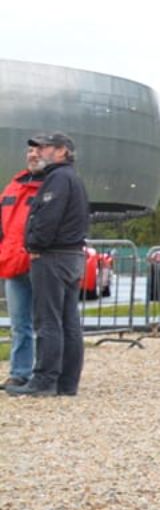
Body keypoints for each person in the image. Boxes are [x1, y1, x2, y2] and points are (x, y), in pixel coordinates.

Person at [8, 132, 89, 398]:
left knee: (48, 321)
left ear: (62, 151)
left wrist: (35, 246)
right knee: (68, 322)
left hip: (53, 257)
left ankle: (44, 380)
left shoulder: (57, 179)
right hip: (70, 255)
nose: (39, 152)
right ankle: (66, 383)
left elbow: (47, 218)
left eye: (45, 147)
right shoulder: (70, 178)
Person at [2, 143, 42, 386]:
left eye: (38, 151)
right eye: (30, 151)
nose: (33, 155)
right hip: (13, 263)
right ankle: (20, 372)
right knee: (19, 323)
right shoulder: (13, 186)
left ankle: (47, 372)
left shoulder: (53, 186)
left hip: (40, 262)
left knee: (47, 322)